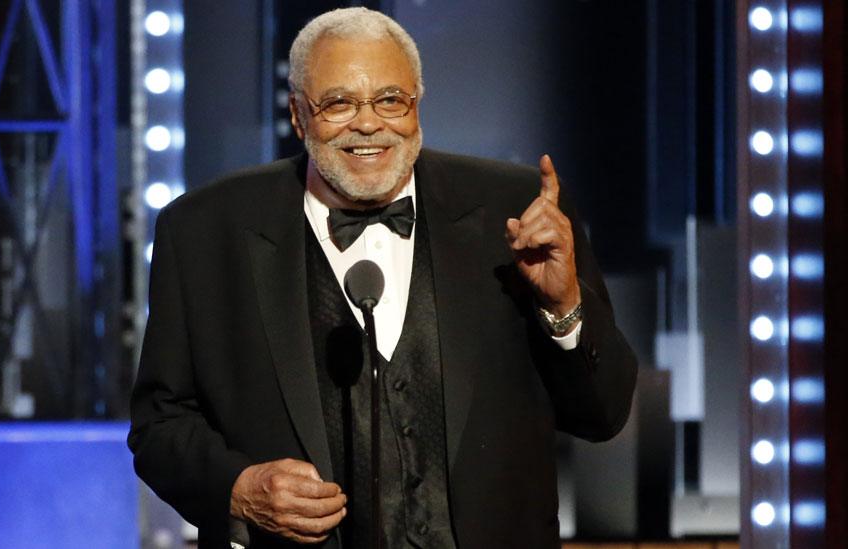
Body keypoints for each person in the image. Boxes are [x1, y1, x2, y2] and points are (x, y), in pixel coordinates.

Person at [128, 7, 637, 548]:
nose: (368, 123)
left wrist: (565, 310)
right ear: (299, 115)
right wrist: (239, 487)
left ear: (418, 104)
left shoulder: (514, 211)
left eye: (391, 100)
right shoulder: (206, 230)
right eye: (338, 103)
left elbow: (602, 415)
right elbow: (160, 426)